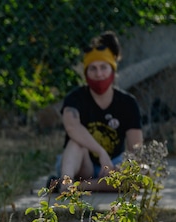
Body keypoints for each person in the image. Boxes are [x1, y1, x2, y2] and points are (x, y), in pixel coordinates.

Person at [54, 31, 143, 192]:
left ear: (113, 70)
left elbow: (136, 148)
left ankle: (77, 187)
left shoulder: (128, 103)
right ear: (86, 73)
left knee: (140, 171)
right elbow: (72, 127)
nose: (99, 74)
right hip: (83, 165)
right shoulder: (75, 98)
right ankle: (66, 183)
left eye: (103, 67)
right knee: (76, 143)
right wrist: (101, 152)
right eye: (93, 69)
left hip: (112, 165)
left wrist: (120, 167)